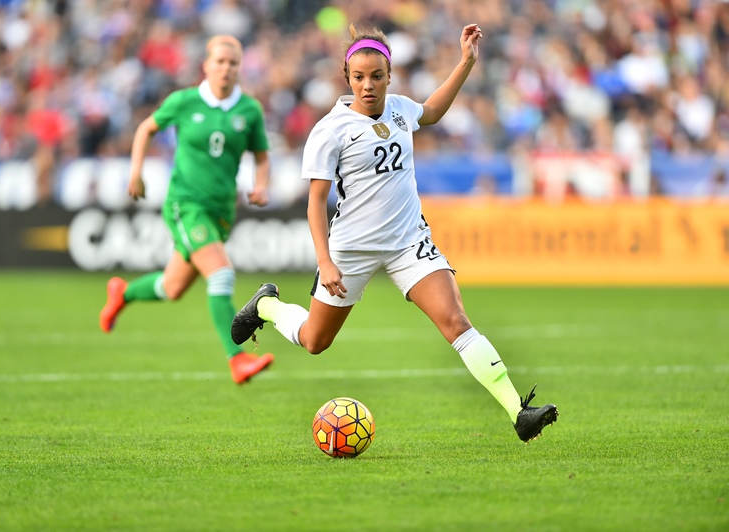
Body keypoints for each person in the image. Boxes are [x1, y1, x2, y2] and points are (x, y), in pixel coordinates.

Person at [232, 24, 559, 441]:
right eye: (359, 77)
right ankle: (267, 307)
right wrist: (325, 261)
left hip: (408, 242)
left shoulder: (402, 109)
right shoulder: (330, 130)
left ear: (390, 75)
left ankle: (519, 411)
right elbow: (315, 202)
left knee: (456, 321)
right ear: (347, 77)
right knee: (315, 341)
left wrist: (465, 62)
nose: (368, 86)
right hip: (351, 249)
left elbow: (433, 111)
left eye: (377, 76)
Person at [100, 35, 274, 385]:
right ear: (206, 65)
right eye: (220, 61)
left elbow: (261, 154)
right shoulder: (185, 101)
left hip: (221, 210)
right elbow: (147, 128)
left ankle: (123, 293)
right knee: (221, 275)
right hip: (185, 205)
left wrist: (261, 184)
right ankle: (237, 359)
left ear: (240, 68)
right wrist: (135, 172)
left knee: (172, 287)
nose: (226, 68)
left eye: (233, 63)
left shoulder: (249, 110)